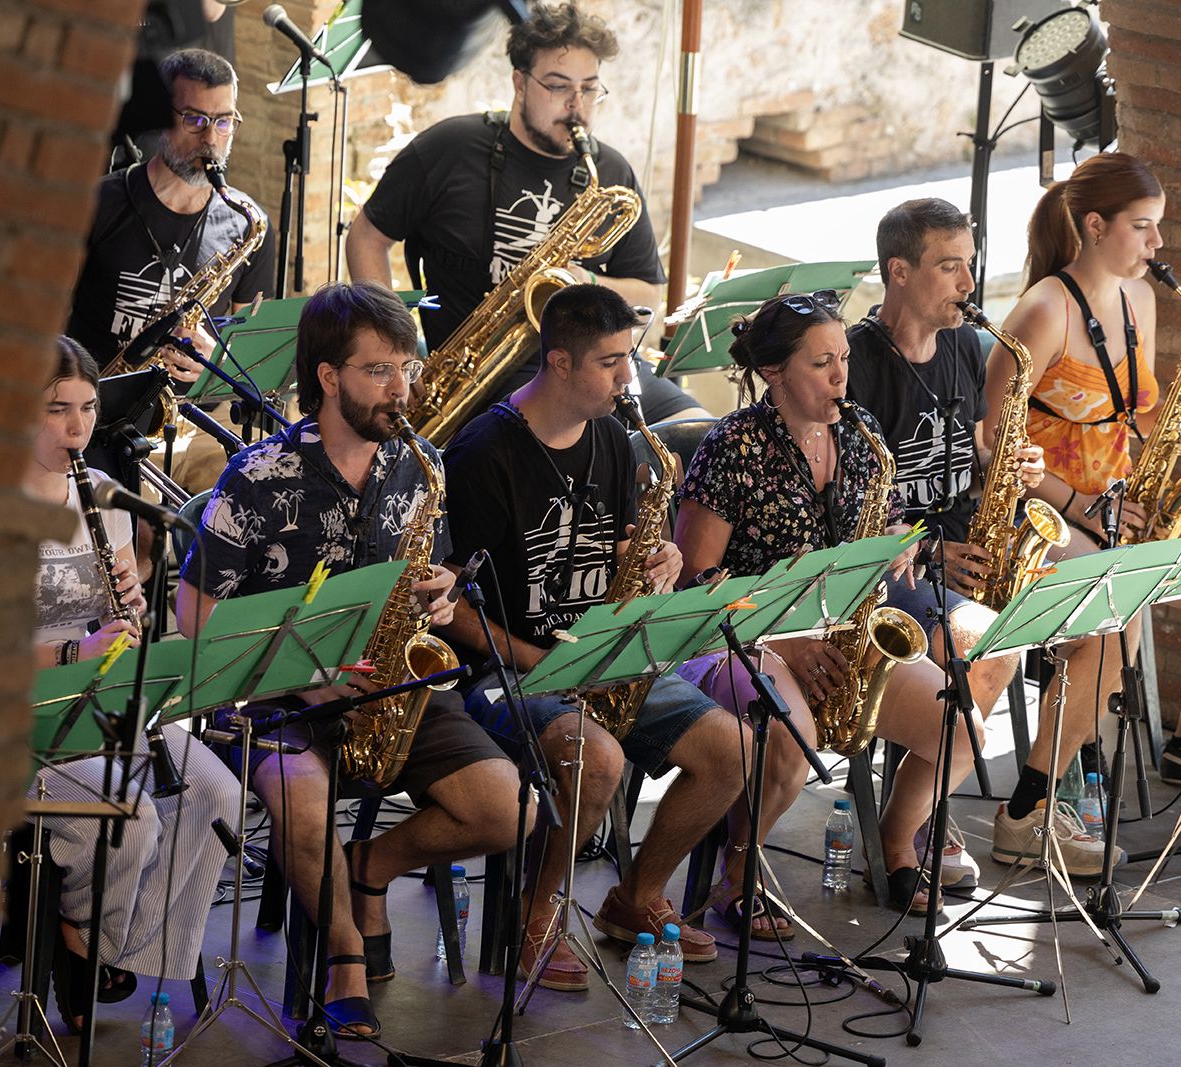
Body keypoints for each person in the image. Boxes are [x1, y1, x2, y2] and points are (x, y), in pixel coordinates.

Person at [176, 283, 519, 1037]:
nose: (403, 389)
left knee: (506, 805)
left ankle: (368, 866)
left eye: (408, 367)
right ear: (329, 378)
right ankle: (343, 954)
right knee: (301, 797)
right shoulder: (259, 475)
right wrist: (301, 676)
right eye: (379, 371)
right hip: (281, 694)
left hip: (389, 685)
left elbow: (439, 572)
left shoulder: (419, 464)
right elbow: (195, 615)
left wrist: (439, 592)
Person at [440, 283, 746, 992]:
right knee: (597, 758)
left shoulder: (612, 436)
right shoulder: (484, 453)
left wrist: (661, 560)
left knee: (732, 748)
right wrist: (544, 660)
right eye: (611, 362)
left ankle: (634, 895)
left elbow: (621, 553)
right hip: (505, 670)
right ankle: (537, 907)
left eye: (627, 359)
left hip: (600, 654)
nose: (628, 378)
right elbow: (455, 606)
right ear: (559, 362)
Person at [985, 151, 1181, 878]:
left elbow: (1134, 418)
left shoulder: (1139, 301)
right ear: (1094, 224)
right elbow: (997, 446)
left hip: (1119, 509)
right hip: (1040, 520)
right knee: (1118, 616)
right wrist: (1079, 505)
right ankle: (1030, 809)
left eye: (1158, 228)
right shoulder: (1042, 312)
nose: (1156, 245)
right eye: (1142, 228)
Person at [673, 289, 1001, 916]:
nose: (842, 376)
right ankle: (737, 870)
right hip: (742, 638)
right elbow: (696, 581)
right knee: (791, 750)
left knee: (962, 731)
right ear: (773, 373)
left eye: (844, 358)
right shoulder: (731, 447)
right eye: (821, 363)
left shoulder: (860, 434)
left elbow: (885, 520)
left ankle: (898, 843)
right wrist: (780, 639)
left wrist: (898, 548)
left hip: (842, 631)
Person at [346, 1, 706, 424]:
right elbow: (367, 237)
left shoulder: (608, 170)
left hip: (601, 371)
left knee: (698, 430)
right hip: (488, 380)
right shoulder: (450, 148)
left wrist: (585, 282)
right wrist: (398, 349)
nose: (577, 105)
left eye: (589, 88)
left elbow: (648, 294)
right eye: (558, 87)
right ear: (520, 83)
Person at [27, 337, 240, 1032]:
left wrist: (131, 613)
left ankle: (120, 946)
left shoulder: (104, 496)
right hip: (18, 720)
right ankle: (82, 936)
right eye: (58, 409)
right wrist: (76, 650)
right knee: (135, 811)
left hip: (101, 703)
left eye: (87, 408)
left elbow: (117, 627)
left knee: (219, 793)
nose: (78, 427)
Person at [843, 197, 1045, 893]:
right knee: (961, 649)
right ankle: (908, 833)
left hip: (966, 553)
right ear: (899, 272)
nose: (969, 283)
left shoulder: (967, 346)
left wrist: (1013, 469)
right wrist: (931, 555)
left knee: (1000, 643)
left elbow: (976, 453)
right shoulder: (858, 364)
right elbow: (850, 509)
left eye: (971, 264)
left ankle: (915, 816)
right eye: (951, 266)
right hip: (892, 569)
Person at [69, 47, 277, 495]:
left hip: (195, 421)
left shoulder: (246, 223)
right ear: (163, 118)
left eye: (224, 121)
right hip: (97, 417)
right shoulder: (99, 204)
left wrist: (212, 354)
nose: (211, 138)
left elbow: (251, 356)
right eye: (195, 120)